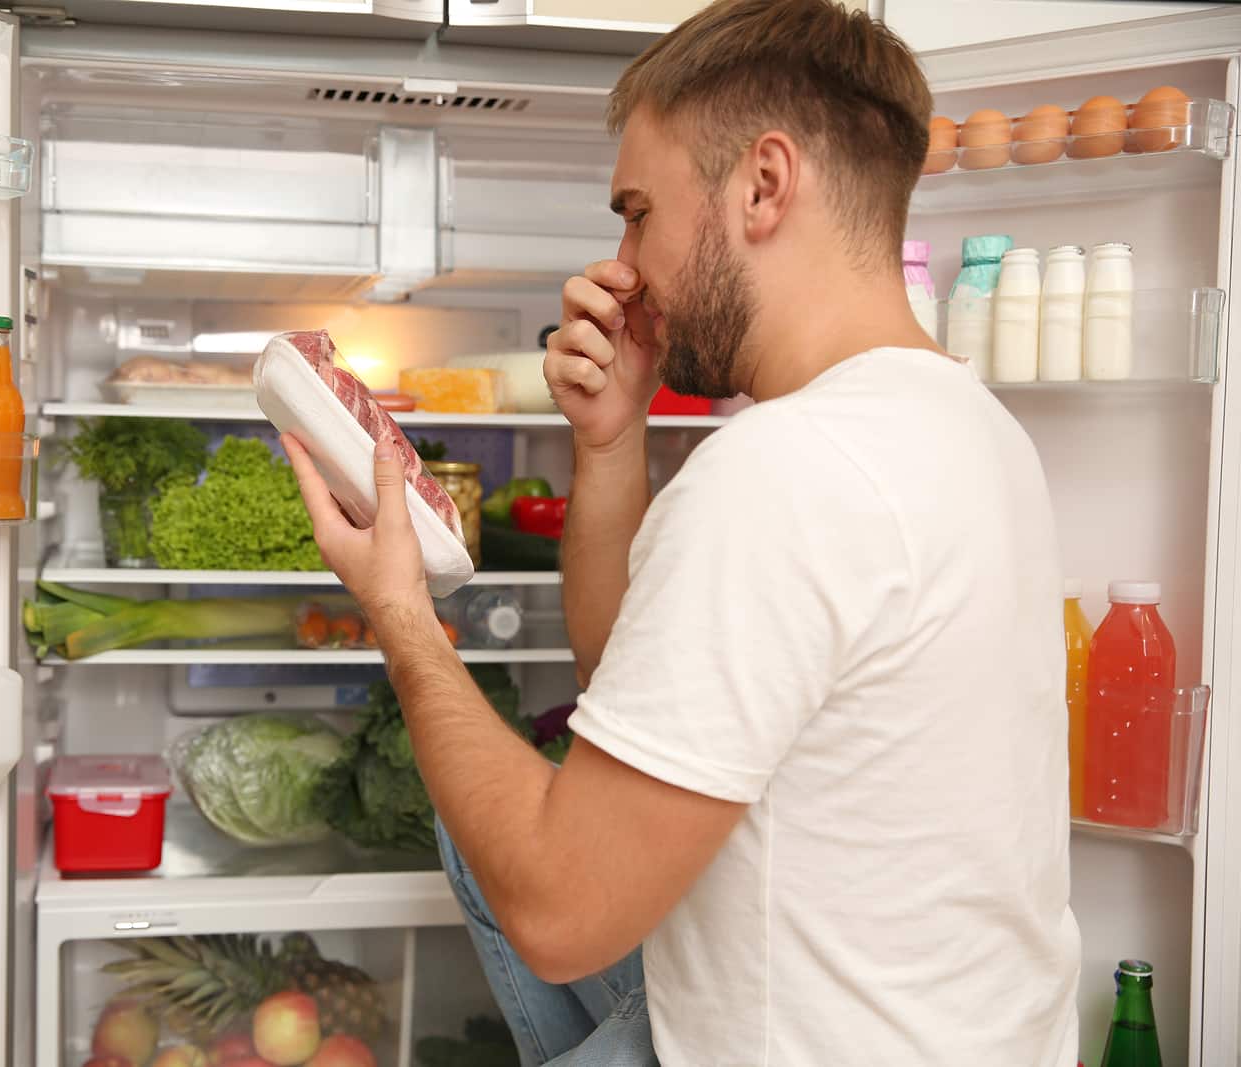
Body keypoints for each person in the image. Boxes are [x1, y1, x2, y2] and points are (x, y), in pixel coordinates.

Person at [282, 0, 1082, 1062]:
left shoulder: (783, 469)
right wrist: (612, 444)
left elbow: (563, 915)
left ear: (762, 185)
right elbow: (642, 699)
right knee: (480, 834)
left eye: (636, 211)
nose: (624, 263)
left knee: (502, 842)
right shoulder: (970, 424)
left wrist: (396, 610)